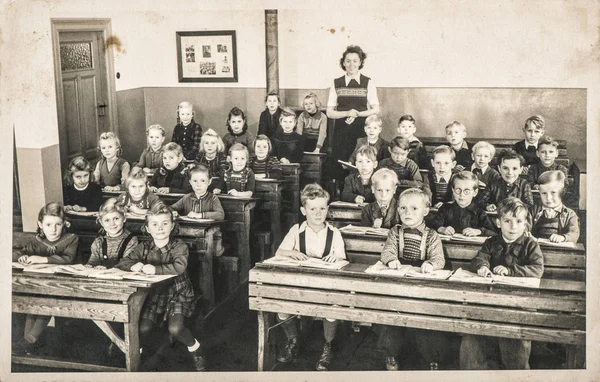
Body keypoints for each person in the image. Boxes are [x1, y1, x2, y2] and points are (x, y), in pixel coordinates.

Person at [115, 202, 206, 371]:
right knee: (143, 328)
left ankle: (196, 349)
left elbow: (179, 267)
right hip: (153, 294)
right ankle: (135, 355)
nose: (160, 228)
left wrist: (155, 269)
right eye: (155, 224)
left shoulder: (179, 247)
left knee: (175, 328)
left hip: (178, 293)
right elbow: (124, 262)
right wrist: (131, 266)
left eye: (165, 223)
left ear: (172, 226)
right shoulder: (143, 247)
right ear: (148, 228)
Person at [460, 197, 543, 370]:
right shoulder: (491, 242)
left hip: (518, 305)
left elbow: (536, 269)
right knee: (472, 337)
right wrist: (482, 267)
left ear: (525, 223)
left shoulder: (530, 244)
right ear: (498, 222)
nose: (513, 226)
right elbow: (479, 258)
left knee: (514, 340)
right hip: (490, 301)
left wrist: (510, 271)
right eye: (507, 221)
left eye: (519, 221)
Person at [274, 183, 346, 371]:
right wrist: (291, 253)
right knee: (281, 307)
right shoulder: (296, 230)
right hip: (300, 284)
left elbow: (343, 260)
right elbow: (280, 251)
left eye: (322, 208)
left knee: (332, 308)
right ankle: (293, 340)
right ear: (303, 210)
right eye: (312, 209)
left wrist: (335, 258)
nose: (318, 213)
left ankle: (328, 344)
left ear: (327, 209)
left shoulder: (334, 233)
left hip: (325, 286)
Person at [378, 188, 445, 371]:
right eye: (403, 208)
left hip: (422, 286)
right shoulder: (395, 231)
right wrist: (391, 260)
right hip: (400, 284)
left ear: (425, 211)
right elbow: (388, 251)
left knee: (426, 319)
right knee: (391, 317)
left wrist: (431, 264)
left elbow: (439, 259)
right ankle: (390, 353)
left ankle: (432, 357)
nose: (407, 213)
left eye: (414, 208)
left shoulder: (431, 235)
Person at [12, 203, 79, 355]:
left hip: (65, 288)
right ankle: (28, 341)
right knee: (33, 303)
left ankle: (29, 341)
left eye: (58, 224)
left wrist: (42, 260)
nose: (53, 229)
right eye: (48, 224)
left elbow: (68, 258)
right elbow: (22, 253)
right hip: (41, 287)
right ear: (40, 224)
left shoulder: (71, 239)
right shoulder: (37, 241)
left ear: (64, 224)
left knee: (46, 303)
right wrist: (23, 256)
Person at [327, 45, 380, 195]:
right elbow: (330, 112)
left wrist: (357, 114)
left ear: (360, 62)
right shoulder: (336, 83)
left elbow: (376, 109)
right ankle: (343, 195)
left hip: (361, 130)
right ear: (343, 63)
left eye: (355, 61)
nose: (351, 64)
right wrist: (346, 113)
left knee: (361, 161)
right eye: (348, 61)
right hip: (341, 131)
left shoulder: (368, 82)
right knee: (341, 164)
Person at [428, 171, 496, 236]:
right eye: (458, 190)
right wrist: (441, 229)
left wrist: (478, 231)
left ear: (475, 192)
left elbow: (492, 232)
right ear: (453, 190)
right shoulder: (445, 209)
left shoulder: (479, 212)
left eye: (466, 191)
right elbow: (433, 225)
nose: (462, 194)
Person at [86, 198, 137, 269]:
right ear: (101, 222)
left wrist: (106, 268)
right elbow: (93, 262)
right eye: (107, 220)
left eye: (116, 219)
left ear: (124, 218)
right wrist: (89, 266)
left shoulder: (131, 240)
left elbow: (127, 264)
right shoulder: (99, 241)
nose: (112, 224)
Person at [530, 170, 579, 243]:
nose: (548, 198)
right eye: (544, 193)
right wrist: (527, 235)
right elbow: (524, 226)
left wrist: (563, 238)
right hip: (536, 249)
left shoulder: (570, 214)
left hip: (558, 251)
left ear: (562, 192)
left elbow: (574, 234)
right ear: (539, 192)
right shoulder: (533, 211)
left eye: (553, 193)